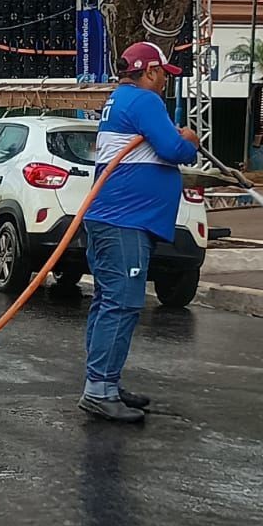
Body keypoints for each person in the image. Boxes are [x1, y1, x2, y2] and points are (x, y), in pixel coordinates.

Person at [79, 41, 200, 424]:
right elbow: (175, 150)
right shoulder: (144, 102)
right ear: (148, 72)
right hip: (124, 223)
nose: (166, 81)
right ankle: (99, 391)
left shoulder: (120, 100)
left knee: (108, 302)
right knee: (122, 304)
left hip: (113, 220)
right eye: (163, 73)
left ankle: (106, 384)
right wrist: (190, 142)